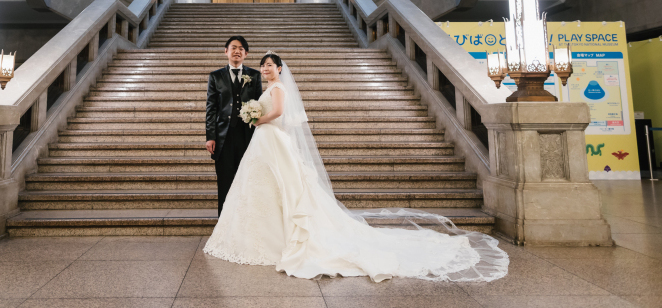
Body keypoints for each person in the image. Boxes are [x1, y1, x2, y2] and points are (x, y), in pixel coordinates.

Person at [204, 51, 509, 282]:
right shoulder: (263, 89)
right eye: (264, 65)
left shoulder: (279, 89)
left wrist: (258, 118)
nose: (266, 68)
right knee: (261, 188)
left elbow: (281, 114)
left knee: (286, 187)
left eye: (270, 65)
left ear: (280, 69)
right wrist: (254, 116)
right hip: (264, 142)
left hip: (273, 138)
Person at [205, 36, 263, 216]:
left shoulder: (254, 75)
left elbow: (260, 105)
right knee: (225, 180)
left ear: (246, 54)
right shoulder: (215, 76)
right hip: (223, 136)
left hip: (247, 136)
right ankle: (224, 221)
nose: (237, 51)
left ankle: (244, 220)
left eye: (241, 48)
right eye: (233, 48)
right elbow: (211, 108)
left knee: (247, 179)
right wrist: (210, 136)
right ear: (226, 51)